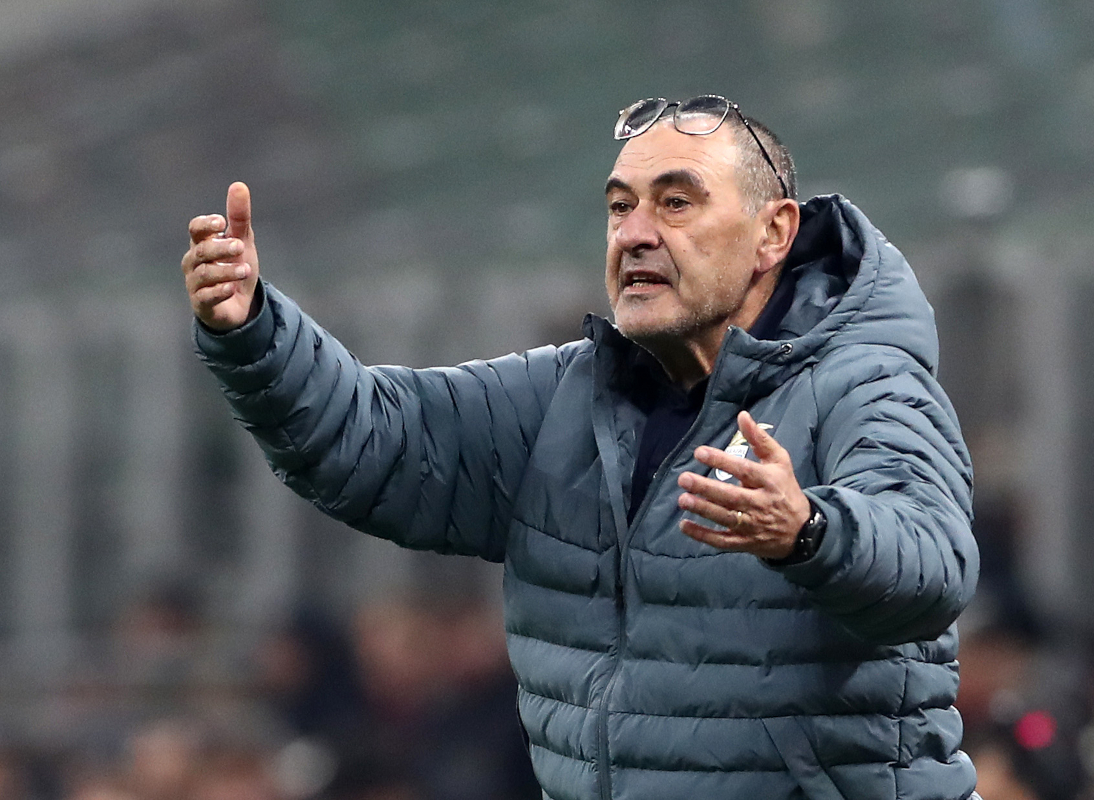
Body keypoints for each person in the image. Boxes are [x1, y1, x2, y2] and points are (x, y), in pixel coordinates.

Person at [181, 95, 980, 800]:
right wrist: (254, 330)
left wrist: (807, 530)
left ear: (773, 233)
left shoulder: (865, 384)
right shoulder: (561, 397)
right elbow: (374, 439)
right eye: (620, 207)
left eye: (676, 203)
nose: (636, 233)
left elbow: (933, 567)